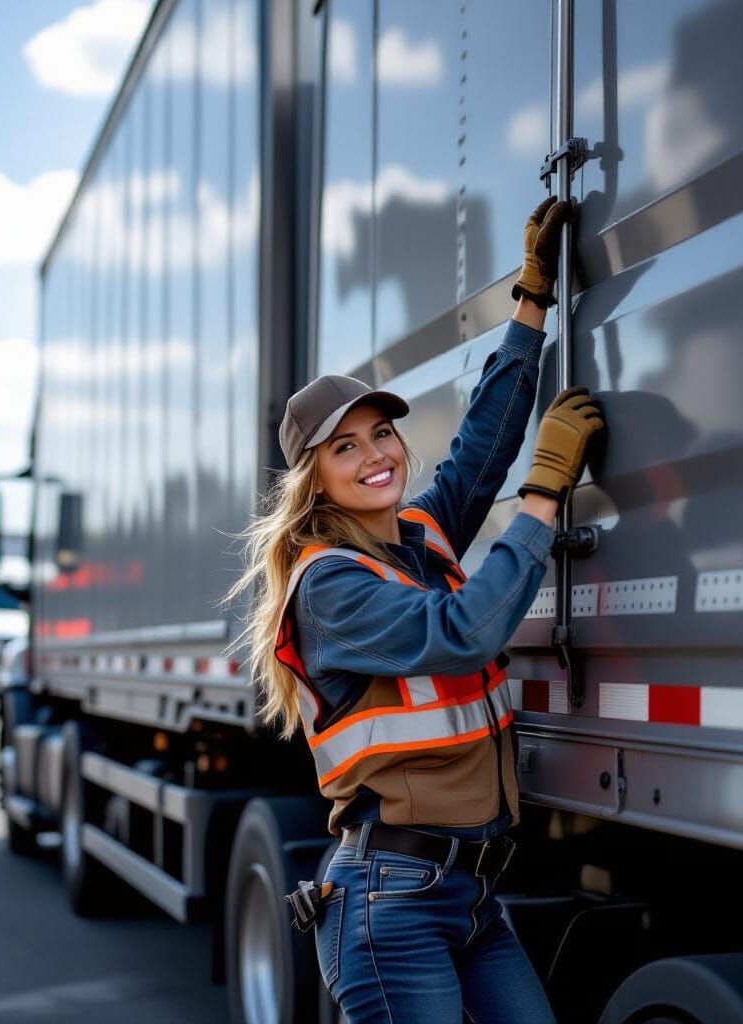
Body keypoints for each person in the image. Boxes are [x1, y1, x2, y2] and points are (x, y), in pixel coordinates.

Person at [231, 197, 604, 1023]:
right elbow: (463, 632)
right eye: (345, 447)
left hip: (469, 892)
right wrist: (543, 497)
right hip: (387, 905)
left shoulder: (420, 534)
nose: (376, 455)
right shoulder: (327, 586)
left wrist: (531, 303)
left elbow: (482, 444)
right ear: (314, 479)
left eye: (382, 434)